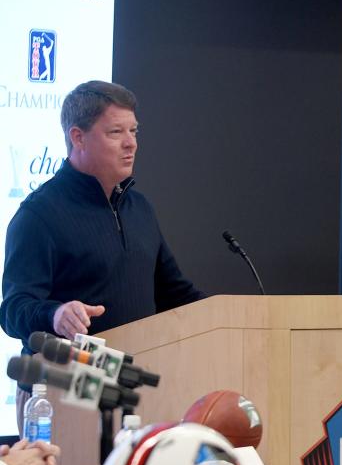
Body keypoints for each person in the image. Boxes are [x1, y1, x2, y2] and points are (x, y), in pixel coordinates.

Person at [2, 80, 207, 428]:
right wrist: (56, 315)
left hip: (134, 391)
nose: (131, 143)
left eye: (134, 131)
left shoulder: (140, 209)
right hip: (62, 392)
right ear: (78, 137)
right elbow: (13, 310)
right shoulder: (39, 214)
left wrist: (240, 312)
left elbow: (175, 294)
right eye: (115, 132)